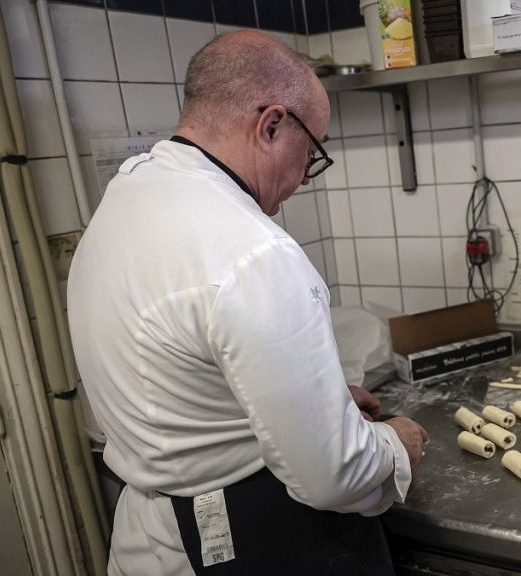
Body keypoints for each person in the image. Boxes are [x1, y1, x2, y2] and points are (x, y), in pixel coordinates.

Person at [67, 30, 427, 575]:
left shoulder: (128, 198)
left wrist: (316, 401)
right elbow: (335, 476)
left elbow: (187, 380)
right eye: (312, 152)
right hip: (244, 541)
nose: (307, 177)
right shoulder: (255, 254)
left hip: (151, 541)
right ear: (272, 124)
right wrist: (395, 445)